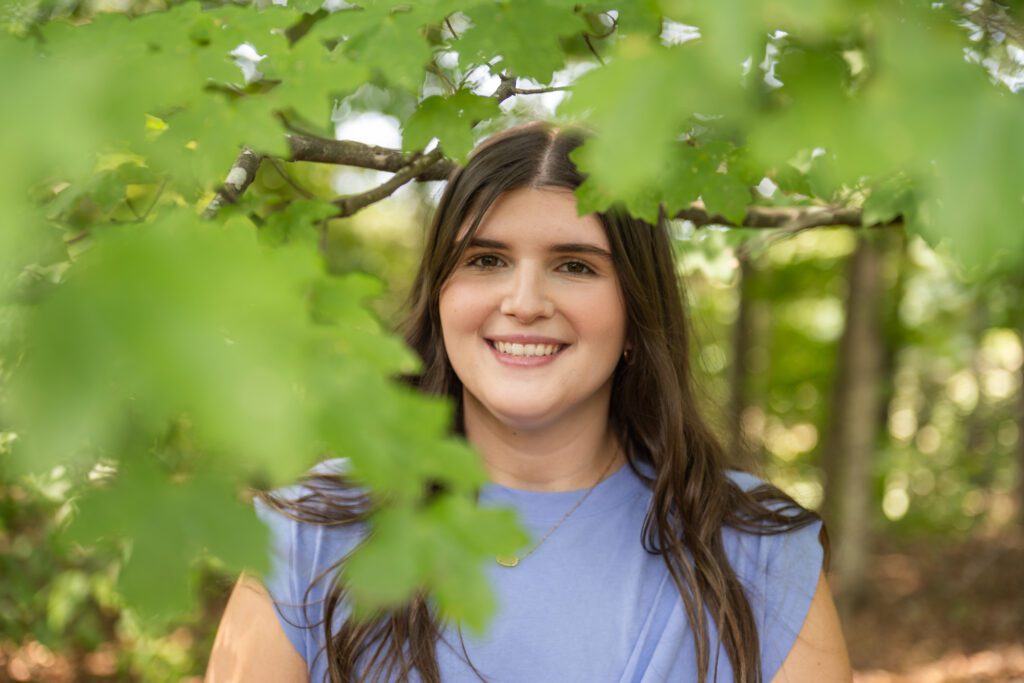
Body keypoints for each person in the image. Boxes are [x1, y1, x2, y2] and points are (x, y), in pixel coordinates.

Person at [205, 123, 852, 682]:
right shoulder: (307, 532)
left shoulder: (758, 552)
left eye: (575, 265)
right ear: (440, 297)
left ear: (636, 310)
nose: (523, 301)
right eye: (486, 259)